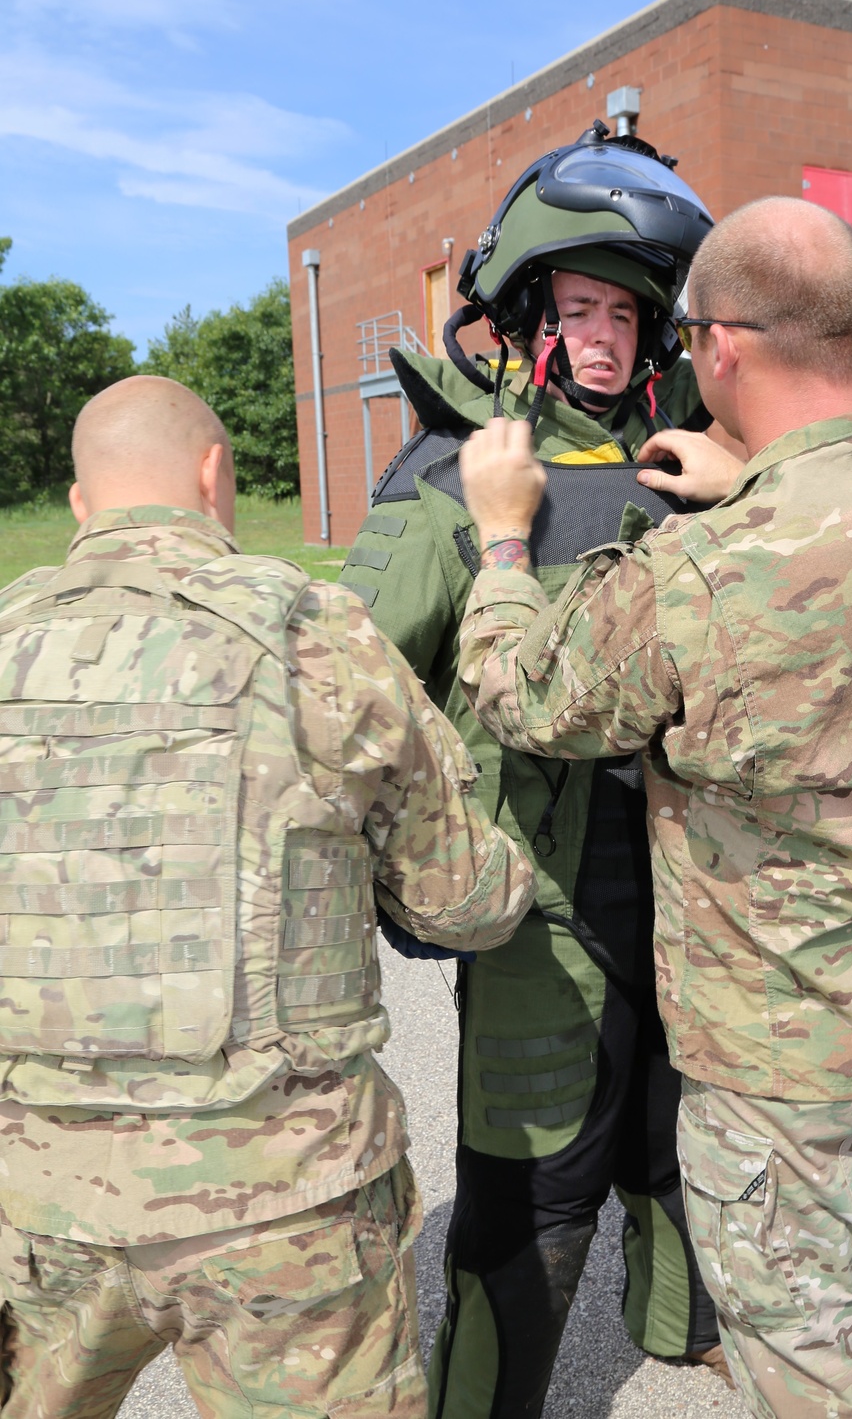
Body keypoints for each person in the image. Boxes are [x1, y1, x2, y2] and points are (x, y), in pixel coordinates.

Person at [455, 196, 852, 1418]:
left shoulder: (698, 573)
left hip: (782, 1072)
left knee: (810, 1367)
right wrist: (755, 476)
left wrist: (500, 541)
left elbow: (522, 696)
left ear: (720, 349)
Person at [0, 374, 536, 1419]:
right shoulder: (310, 634)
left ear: (77, 503)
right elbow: (468, 902)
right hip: (284, 1211)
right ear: (214, 477)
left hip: (34, 1201)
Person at [340, 121, 738, 1419]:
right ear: (532, 315)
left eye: (629, 312)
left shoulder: (708, 468)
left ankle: (676, 1328)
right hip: (540, 918)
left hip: (692, 899)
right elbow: (343, 674)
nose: (609, 336)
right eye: (581, 307)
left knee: (670, 1151)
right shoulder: (467, 473)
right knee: (528, 1198)